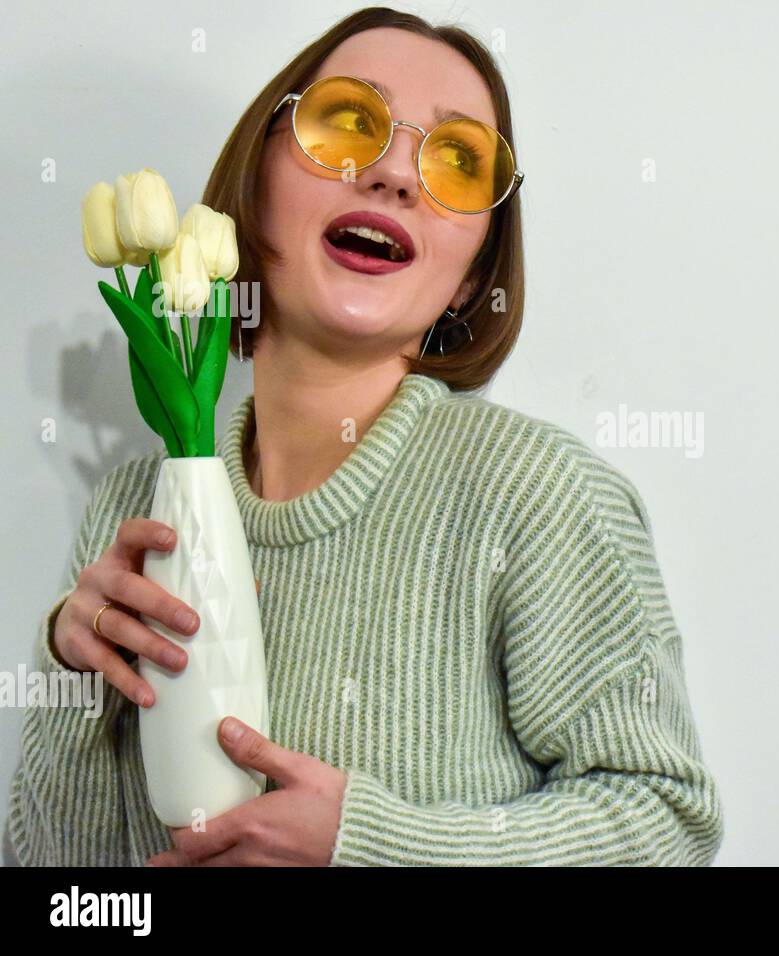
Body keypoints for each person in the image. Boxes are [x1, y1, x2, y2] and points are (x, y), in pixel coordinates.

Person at [6, 7, 723, 866]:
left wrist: (375, 849)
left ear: (472, 277)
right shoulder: (132, 510)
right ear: (254, 179)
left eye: (458, 162)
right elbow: (65, 887)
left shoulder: (538, 494)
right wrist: (74, 671)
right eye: (349, 122)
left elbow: (667, 822)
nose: (393, 175)